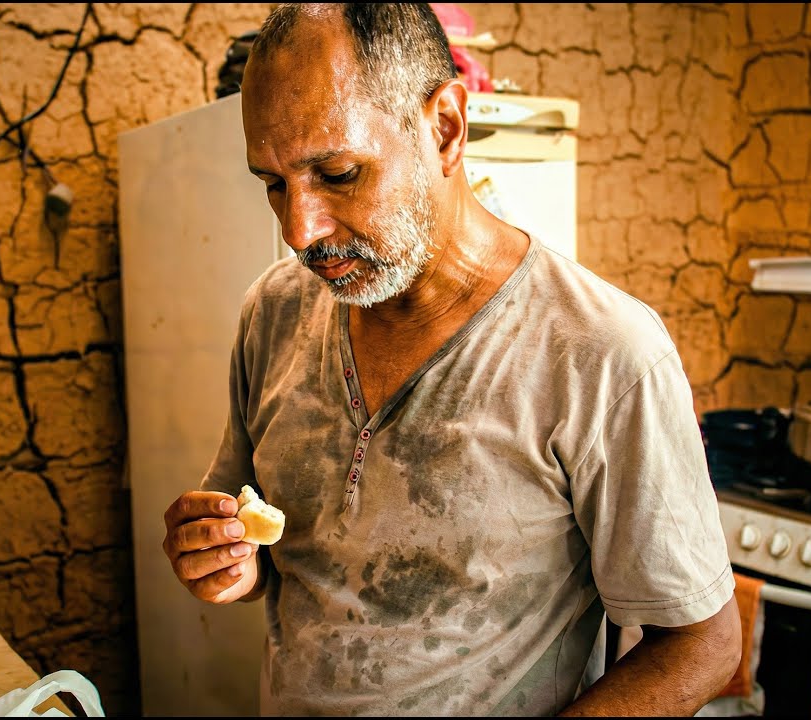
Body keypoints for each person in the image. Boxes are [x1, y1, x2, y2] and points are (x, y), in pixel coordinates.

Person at [162, 3, 741, 716]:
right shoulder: (274, 313)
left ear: (444, 128)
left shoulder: (602, 354)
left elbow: (702, 644)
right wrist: (220, 561)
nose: (298, 230)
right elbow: (257, 556)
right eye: (273, 184)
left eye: (338, 173)